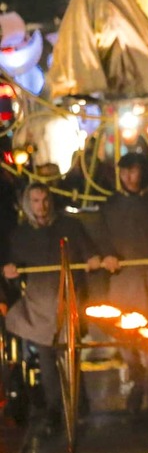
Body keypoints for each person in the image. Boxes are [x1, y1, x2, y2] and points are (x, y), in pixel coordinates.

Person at [2, 183, 101, 435]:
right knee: (47, 362)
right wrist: (11, 271)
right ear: (28, 204)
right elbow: (13, 270)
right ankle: (54, 410)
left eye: (44, 200)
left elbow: (89, 252)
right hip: (39, 305)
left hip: (68, 301)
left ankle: (78, 404)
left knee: (70, 356)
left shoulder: (69, 227)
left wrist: (93, 260)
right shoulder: (21, 235)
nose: (41, 206)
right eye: (35, 201)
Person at [96, 152, 148, 419]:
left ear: (143, 172)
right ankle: (137, 379)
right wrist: (106, 256)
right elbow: (101, 239)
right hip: (123, 280)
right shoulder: (110, 206)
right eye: (126, 172)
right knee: (124, 338)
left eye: (135, 170)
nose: (130, 177)